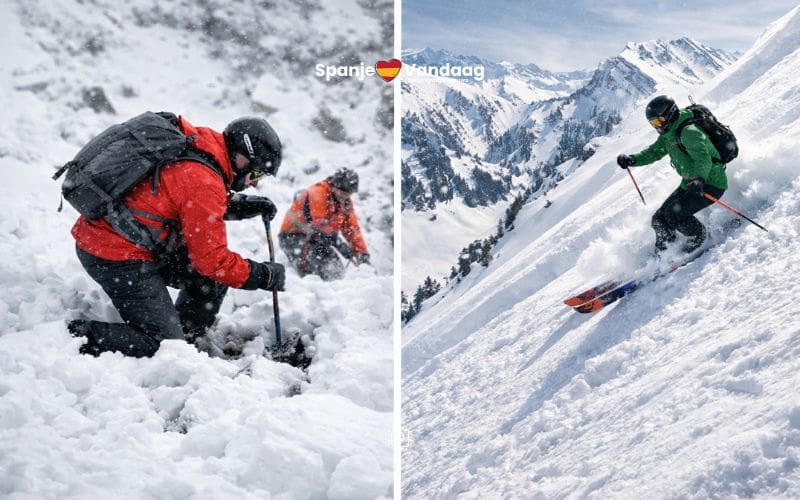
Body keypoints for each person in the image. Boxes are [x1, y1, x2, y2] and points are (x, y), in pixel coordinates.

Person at [68, 116, 286, 357]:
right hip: (112, 254)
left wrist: (242, 206)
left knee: (209, 283)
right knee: (161, 344)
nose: (254, 183)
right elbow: (212, 261)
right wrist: (261, 275)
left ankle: (186, 343)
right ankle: (76, 335)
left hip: (125, 239)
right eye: (257, 174)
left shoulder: (203, 146)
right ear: (242, 159)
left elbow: (186, 198)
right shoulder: (204, 181)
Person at [617, 95, 728, 254]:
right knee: (659, 220)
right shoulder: (668, 134)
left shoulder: (689, 133)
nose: (657, 126)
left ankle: (698, 236)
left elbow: (703, 159)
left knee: (674, 215)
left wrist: (698, 178)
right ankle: (665, 252)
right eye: (653, 123)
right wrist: (632, 160)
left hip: (710, 184)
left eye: (658, 121)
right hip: (690, 183)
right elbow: (654, 152)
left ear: (669, 114)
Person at [279, 168, 370, 280]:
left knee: (335, 270)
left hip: (317, 239)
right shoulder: (318, 193)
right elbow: (319, 225)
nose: (344, 197)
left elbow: (352, 229)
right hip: (293, 237)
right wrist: (340, 244)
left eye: (348, 194)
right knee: (312, 274)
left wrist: (362, 253)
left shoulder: (345, 202)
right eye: (342, 193)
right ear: (334, 186)